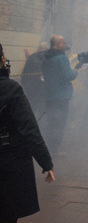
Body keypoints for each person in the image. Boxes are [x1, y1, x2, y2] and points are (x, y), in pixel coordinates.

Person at [0, 42, 55, 222]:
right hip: (8, 162)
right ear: (2, 60)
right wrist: (46, 163)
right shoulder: (11, 89)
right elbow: (29, 129)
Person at [41, 35, 78, 155]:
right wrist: (76, 71)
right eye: (63, 42)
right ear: (57, 44)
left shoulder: (46, 57)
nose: (65, 44)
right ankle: (54, 150)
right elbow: (68, 75)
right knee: (60, 122)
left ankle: (48, 148)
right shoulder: (61, 58)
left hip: (49, 95)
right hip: (61, 96)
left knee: (51, 122)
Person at [20, 42, 48, 118]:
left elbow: (25, 73)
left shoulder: (32, 57)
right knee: (39, 108)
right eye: (41, 47)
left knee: (31, 107)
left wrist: (24, 85)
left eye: (43, 48)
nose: (42, 49)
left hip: (31, 87)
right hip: (40, 89)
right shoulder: (48, 59)